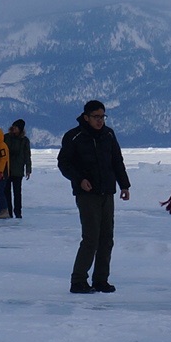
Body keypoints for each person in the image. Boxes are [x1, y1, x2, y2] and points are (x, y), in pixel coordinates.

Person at [58, 100, 130, 293]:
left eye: (102, 117)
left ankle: (101, 279)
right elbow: (64, 164)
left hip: (107, 192)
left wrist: (124, 185)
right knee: (91, 238)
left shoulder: (108, 134)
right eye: (96, 117)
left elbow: (117, 161)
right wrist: (79, 180)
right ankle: (79, 280)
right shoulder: (74, 137)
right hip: (87, 194)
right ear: (86, 117)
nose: (100, 121)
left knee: (107, 238)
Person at [5, 119, 32, 218]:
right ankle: (8, 212)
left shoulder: (24, 140)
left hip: (18, 170)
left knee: (17, 193)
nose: (14, 128)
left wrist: (28, 169)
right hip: (6, 170)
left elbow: (27, 156)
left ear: (20, 129)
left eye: (16, 127)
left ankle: (18, 212)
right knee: (6, 192)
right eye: (13, 126)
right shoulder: (6, 138)